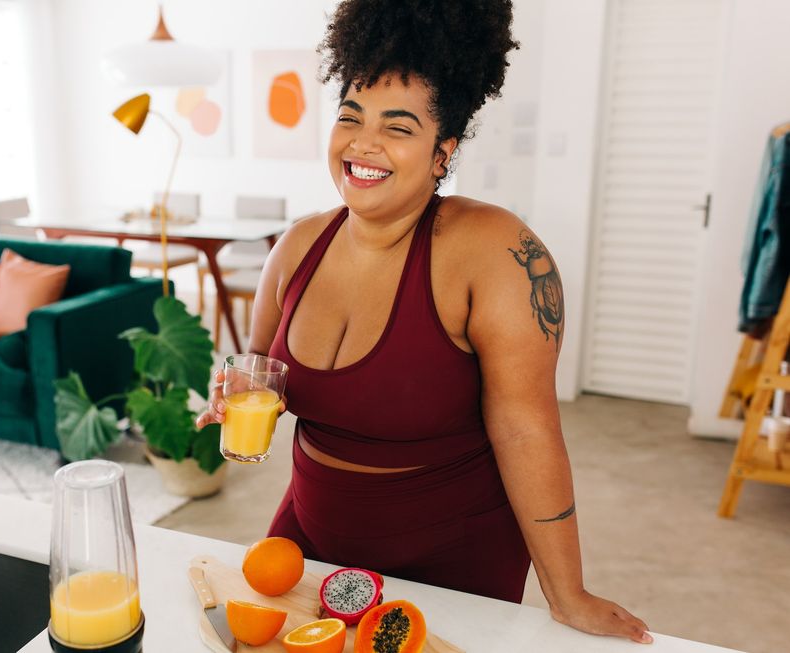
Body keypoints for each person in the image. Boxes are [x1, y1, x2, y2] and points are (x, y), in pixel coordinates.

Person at [198, 0, 652, 644]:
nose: (363, 143)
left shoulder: (494, 252)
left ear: (444, 152)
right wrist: (239, 397)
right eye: (350, 116)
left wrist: (567, 592)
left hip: (452, 559)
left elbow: (528, 430)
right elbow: (262, 373)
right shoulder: (296, 247)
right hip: (310, 538)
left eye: (398, 127)